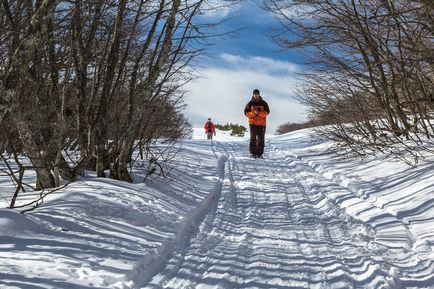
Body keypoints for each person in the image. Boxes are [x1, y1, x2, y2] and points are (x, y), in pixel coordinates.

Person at [244, 89, 270, 158]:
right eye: (255, 94)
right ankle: (252, 153)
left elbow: (267, 112)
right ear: (253, 95)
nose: (256, 95)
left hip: (262, 124)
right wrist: (253, 113)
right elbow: (246, 113)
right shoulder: (250, 103)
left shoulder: (264, 103)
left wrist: (259, 113)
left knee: (261, 138)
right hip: (252, 123)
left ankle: (259, 154)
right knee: (253, 137)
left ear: (259, 94)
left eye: (257, 94)